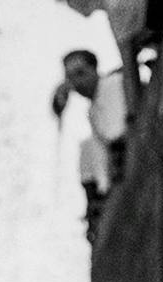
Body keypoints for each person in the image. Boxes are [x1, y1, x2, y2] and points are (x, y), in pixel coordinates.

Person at [52, 49, 128, 239]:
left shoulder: (113, 86)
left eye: (81, 73)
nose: (77, 82)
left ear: (94, 69)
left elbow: (117, 135)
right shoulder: (92, 110)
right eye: (71, 77)